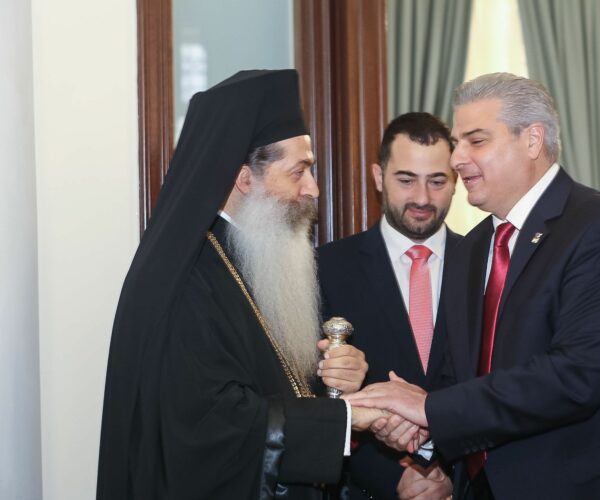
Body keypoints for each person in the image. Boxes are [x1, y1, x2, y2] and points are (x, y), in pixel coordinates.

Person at [346, 72, 600, 500]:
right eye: (457, 142)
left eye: (475, 141)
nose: (457, 159)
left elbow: (575, 375)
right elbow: (462, 374)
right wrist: (419, 428)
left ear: (533, 140)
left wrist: (427, 409)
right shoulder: (473, 247)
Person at [96, 70, 387, 500]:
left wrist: (335, 382)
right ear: (244, 178)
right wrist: (343, 420)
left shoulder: (261, 260)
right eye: (299, 171)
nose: (313, 189)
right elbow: (210, 426)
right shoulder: (188, 281)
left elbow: (278, 385)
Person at [318, 112, 461, 499]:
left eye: (437, 181)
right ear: (379, 177)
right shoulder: (326, 269)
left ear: (456, 181)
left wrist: (453, 475)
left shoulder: (485, 267)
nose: (422, 198)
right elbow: (311, 395)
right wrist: (392, 478)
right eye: (406, 180)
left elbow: (498, 387)